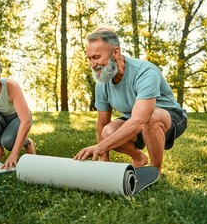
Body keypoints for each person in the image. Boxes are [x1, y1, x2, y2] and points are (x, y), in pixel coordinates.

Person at [74, 28, 187, 174]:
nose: (92, 64)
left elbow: (141, 120)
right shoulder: (102, 82)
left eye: (96, 57)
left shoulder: (145, 72)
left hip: (170, 119)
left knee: (150, 118)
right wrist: (104, 158)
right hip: (133, 121)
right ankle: (139, 158)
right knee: (108, 132)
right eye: (89, 59)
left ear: (115, 53)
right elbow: (102, 123)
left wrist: (101, 146)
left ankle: (155, 170)